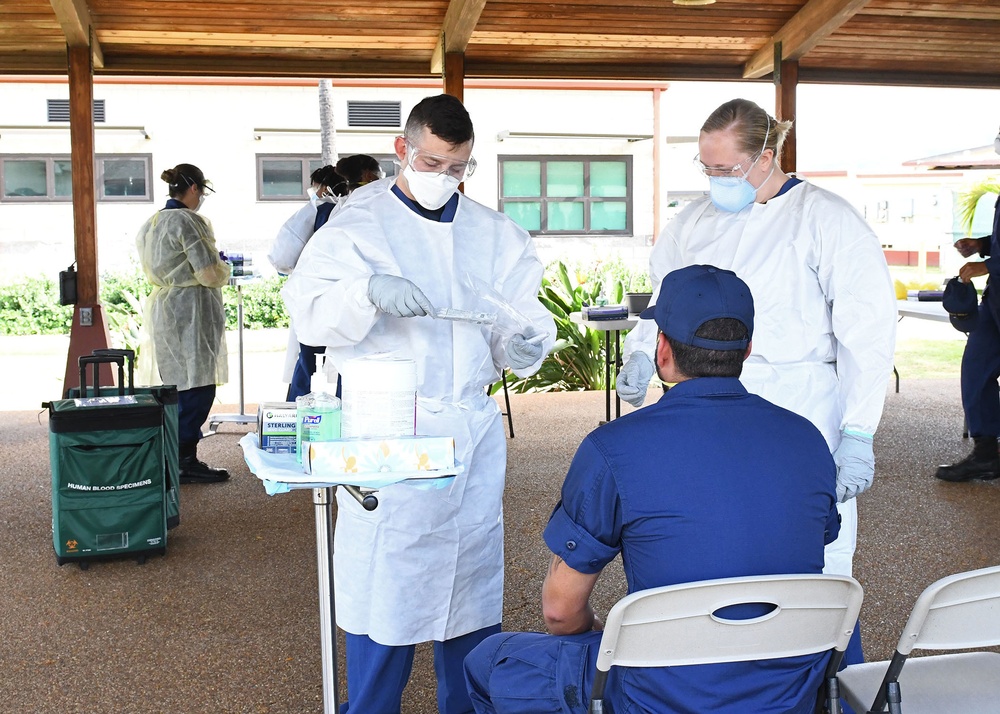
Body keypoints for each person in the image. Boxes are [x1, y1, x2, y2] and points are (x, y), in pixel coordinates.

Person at [282, 94, 555, 714]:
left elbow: (518, 323)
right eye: (433, 163)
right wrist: (365, 291)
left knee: (469, 585)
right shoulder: (357, 224)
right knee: (389, 588)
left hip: (467, 430)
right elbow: (308, 312)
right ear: (402, 150)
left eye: (458, 167)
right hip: (390, 427)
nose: (445, 178)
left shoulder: (495, 234)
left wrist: (526, 339)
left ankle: (466, 705)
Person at [464, 265, 841, 714]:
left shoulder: (613, 448)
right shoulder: (807, 440)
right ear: (748, 349)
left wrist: (608, 638)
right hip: (785, 694)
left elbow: (560, 612)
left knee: (487, 660)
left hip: (653, 695)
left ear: (661, 350)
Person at [616, 98, 896, 590]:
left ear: (766, 156)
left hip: (799, 396)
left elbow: (866, 333)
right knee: (708, 528)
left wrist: (858, 432)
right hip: (702, 399)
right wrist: (642, 348)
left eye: (726, 169)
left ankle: (817, 653)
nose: (714, 180)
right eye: (707, 168)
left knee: (806, 545)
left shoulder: (827, 219)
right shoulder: (694, 221)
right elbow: (665, 293)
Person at [135, 163, 231, 484]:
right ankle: (185, 459)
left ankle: (171, 455)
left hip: (163, 307)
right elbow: (208, 273)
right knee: (199, 382)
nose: (201, 198)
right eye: (202, 192)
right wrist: (224, 267)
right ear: (193, 189)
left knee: (173, 383)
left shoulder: (151, 223)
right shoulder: (189, 222)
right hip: (191, 310)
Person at [270, 155, 384, 401]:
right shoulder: (374, 211)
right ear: (369, 177)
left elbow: (282, 257)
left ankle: (300, 426)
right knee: (349, 370)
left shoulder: (325, 211)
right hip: (357, 306)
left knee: (310, 368)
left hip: (321, 303)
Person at [935, 125, 1000, 482]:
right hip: (994, 304)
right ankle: (987, 452)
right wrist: (982, 244)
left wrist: (986, 264)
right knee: (976, 370)